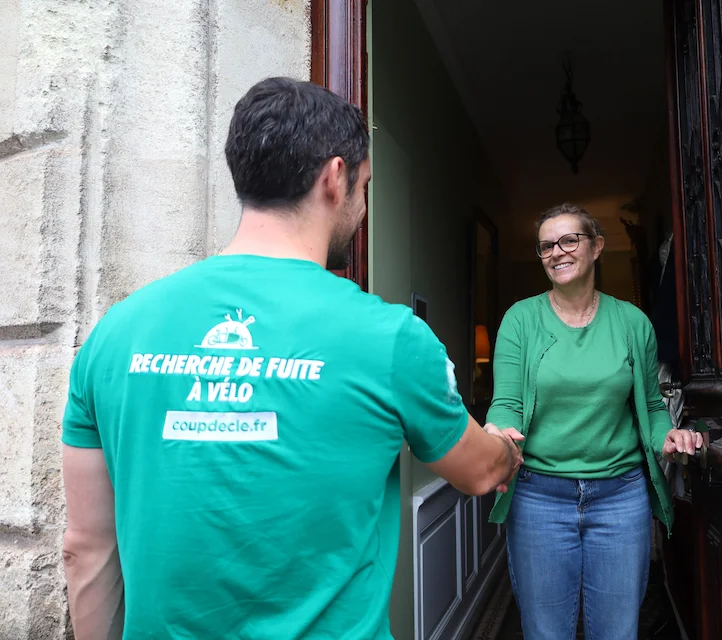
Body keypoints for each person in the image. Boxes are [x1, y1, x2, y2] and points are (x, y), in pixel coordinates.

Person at [60, 77, 523, 640]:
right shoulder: (393, 337)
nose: (362, 206)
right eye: (365, 186)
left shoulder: (115, 334)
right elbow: (479, 472)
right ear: (335, 178)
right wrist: (504, 446)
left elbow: (86, 549)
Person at [485, 203, 702, 640]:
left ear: (597, 246)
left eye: (569, 240)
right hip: (538, 499)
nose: (557, 252)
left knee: (617, 632)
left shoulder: (632, 323)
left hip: (619, 499)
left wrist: (668, 437)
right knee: (546, 633)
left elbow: (653, 406)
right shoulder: (520, 320)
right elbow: (505, 402)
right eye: (547, 245)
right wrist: (497, 433)